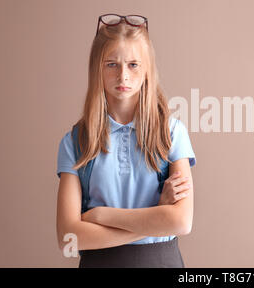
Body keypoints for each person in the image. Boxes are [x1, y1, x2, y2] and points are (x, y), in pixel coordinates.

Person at [56, 14, 196, 268]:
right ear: (97, 68)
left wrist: (102, 215)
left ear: (147, 71)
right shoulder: (76, 142)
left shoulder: (172, 133)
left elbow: (181, 222)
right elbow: (68, 239)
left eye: (133, 65)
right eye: (112, 64)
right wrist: (156, 218)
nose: (123, 75)